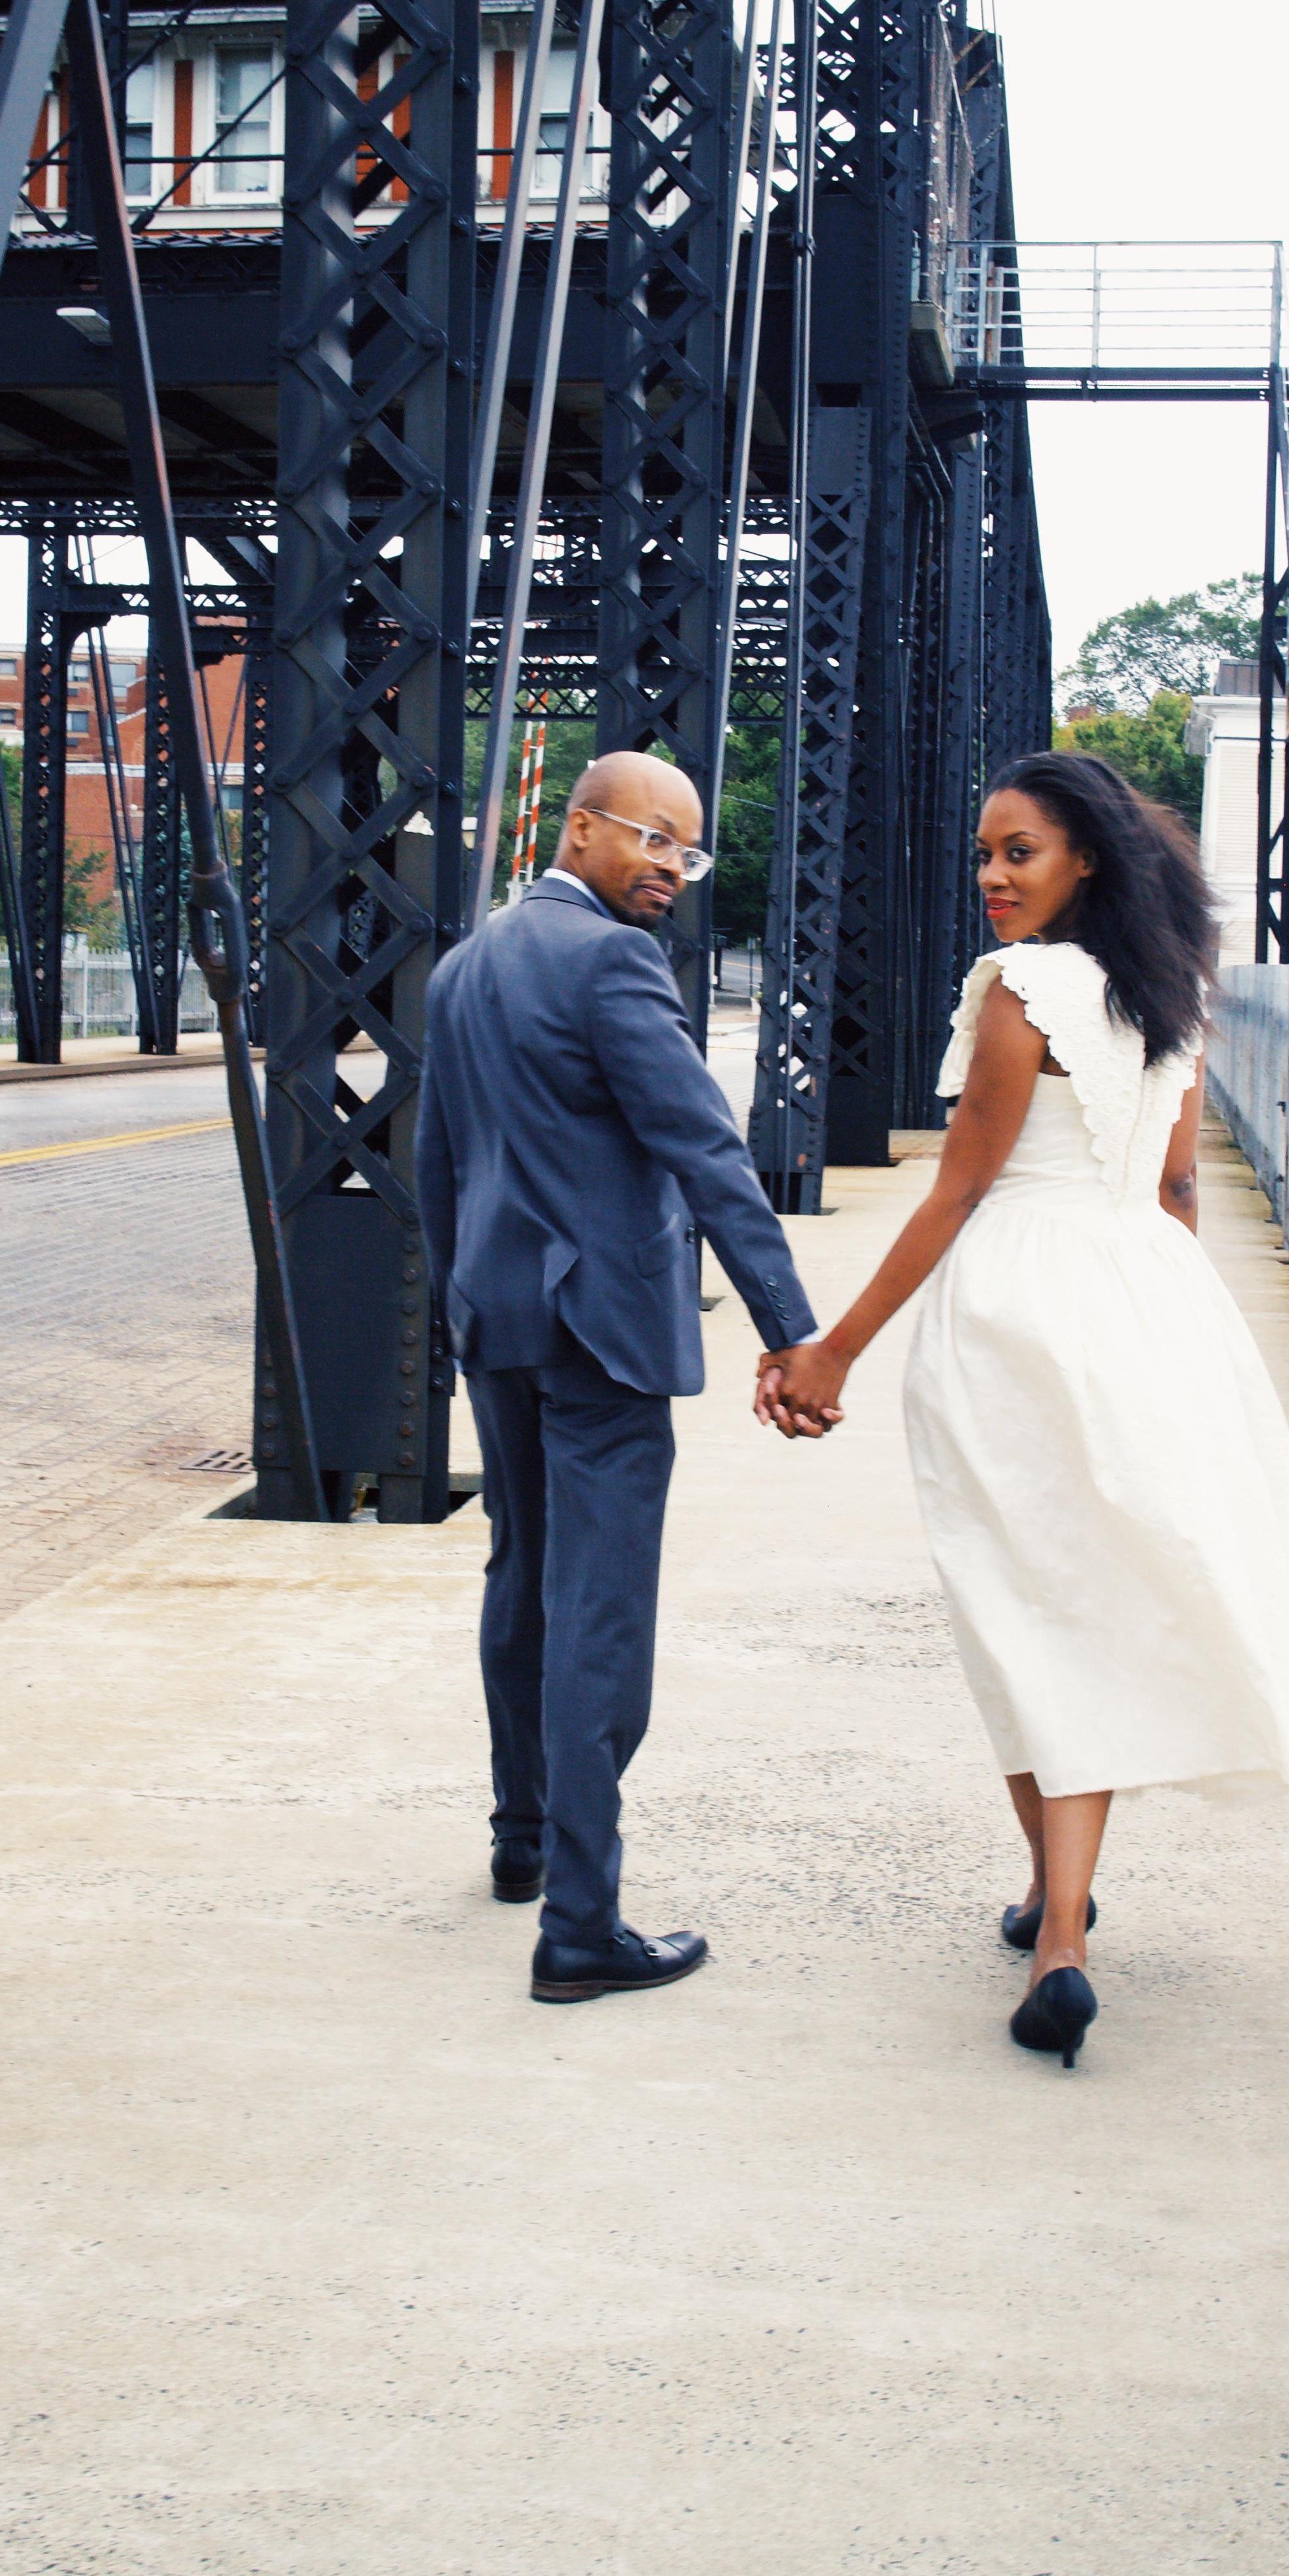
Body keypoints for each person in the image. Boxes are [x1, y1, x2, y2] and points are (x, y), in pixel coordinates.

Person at [755, 751, 1289, 2069]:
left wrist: (831, 1352)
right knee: (1092, 1602)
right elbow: (1175, 1191)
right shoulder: (1171, 996)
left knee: (1019, 1604)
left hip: (1019, 1309)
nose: (992, 878)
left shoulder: (1021, 993)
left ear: (1085, 860)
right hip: (1151, 1303)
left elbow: (955, 1195)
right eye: (986, 854)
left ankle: (1063, 1933)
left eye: (1019, 854)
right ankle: (1056, 1911)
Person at [422, 750, 846, 2004]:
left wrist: (462, 1307)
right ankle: (582, 1924)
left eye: (688, 850)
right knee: (598, 1610)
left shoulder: (465, 964)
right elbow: (709, 1155)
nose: (671, 867)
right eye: (652, 839)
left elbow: (442, 1166)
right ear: (582, 827)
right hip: (601, 1332)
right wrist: (793, 1330)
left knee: (524, 1580)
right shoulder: (612, 961)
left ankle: (522, 1841)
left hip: (500, 1317)